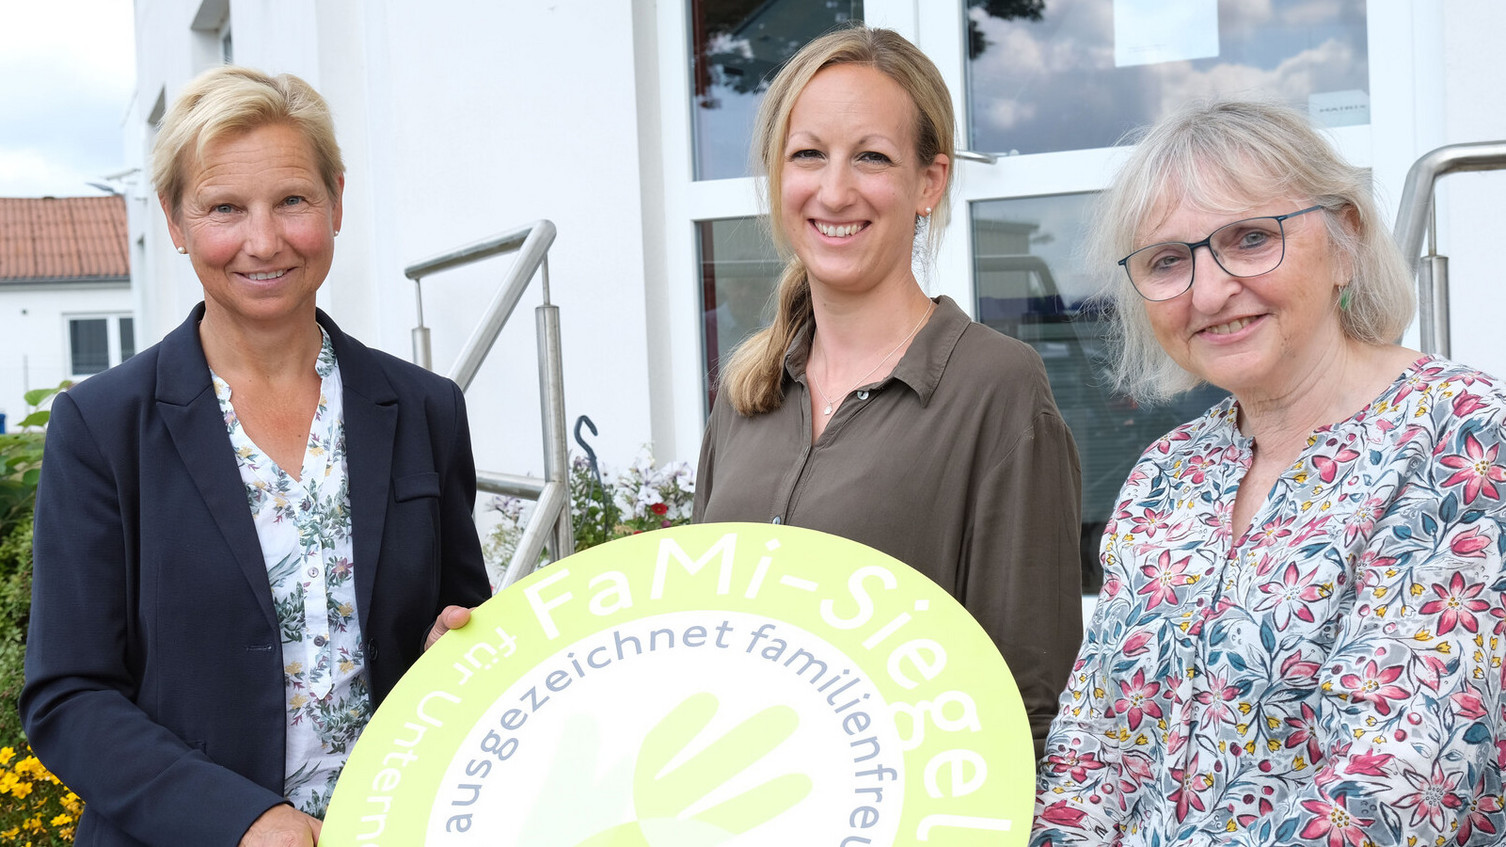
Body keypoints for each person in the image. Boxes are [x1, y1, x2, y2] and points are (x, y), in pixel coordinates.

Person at [20, 66, 490, 846]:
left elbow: (457, 622)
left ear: (337, 201)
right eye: (224, 208)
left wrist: (453, 651)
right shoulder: (100, 427)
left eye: (293, 200)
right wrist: (241, 819)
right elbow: (69, 695)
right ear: (175, 220)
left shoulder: (424, 408)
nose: (264, 241)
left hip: (391, 828)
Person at [1032, 99, 1506, 845]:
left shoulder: (1458, 432)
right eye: (1167, 260)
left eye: (1251, 239)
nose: (1208, 291)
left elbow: (1400, 781)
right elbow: (1091, 750)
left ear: (1346, 240)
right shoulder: (1166, 473)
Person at [692, 25, 1084, 757]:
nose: (834, 191)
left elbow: (1027, 699)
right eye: (808, 154)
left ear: (929, 182)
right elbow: (692, 636)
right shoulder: (746, 391)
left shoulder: (996, 388)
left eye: (871, 157)